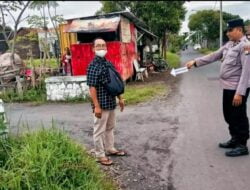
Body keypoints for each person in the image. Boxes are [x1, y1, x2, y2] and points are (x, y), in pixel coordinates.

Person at [185, 18, 250, 157]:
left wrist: (240, 93)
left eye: (230, 30)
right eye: (227, 31)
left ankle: (242, 145)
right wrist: (195, 62)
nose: (228, 33)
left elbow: (246, 72)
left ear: (239, 29)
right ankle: (234, 139)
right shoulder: (230, 45)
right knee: (228, 115)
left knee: (238, 116)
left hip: (237, 88)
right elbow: (214, 55)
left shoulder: (246, 46)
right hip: (227, 87)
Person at [86, 38, 126, 165]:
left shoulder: (108, 63)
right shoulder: (93, 66)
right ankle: (99, 155)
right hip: (101, 104)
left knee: (110, 127)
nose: (101, 48)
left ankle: (110, 148)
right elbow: (92, 88)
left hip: (110, 102)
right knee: (99, 130)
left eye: (103, 45)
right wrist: (96, 106)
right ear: (93, 49)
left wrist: (120, 98)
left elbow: (115, 82)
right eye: (98, 46)